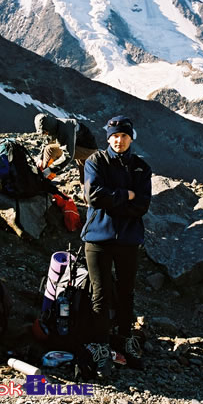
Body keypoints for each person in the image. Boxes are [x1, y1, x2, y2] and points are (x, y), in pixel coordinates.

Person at [80, 115, 152, 378]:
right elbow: (94, 196)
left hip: (128, 240)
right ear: (108, 137)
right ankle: (100, 346)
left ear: (131, 137)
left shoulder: (142, 168)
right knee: (101, 294)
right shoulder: (95, 161)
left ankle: (125, 341)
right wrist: (127, 195)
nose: (118, 140)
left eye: (123, 135)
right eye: (114, 135)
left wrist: (115, 197)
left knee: (126, 292)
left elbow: (143, 204)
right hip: (98, 239)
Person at [34, 113, 97, 184]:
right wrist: (40, 158)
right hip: (81, 146)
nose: (45, 134)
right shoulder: (53, 125)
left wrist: (50, 170)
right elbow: (47, 141)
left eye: (45, 132)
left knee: (50, 150)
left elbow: (68, 155)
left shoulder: (65, 130)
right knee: (85, 180)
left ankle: (45, 179)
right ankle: (88, 192)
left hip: (88, 150)